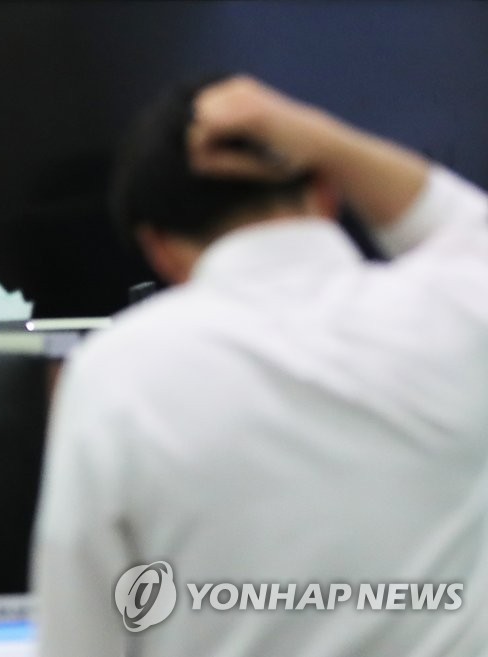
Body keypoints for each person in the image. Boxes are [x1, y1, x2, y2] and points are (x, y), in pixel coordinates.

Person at [30, 75, 488, 657]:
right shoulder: (453, 314)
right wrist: (326, 142)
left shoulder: (115, 372)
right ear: (327, 193)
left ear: (157, 248)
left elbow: (80, 635)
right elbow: (466, 228)